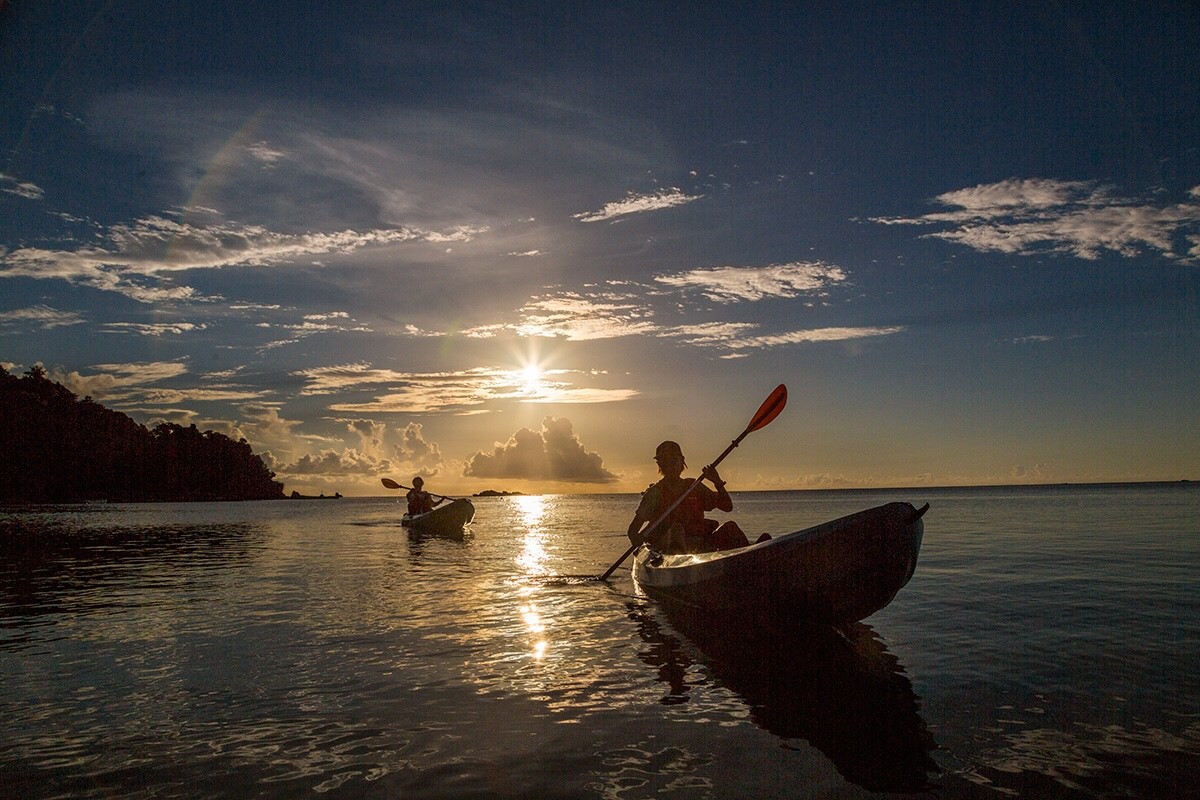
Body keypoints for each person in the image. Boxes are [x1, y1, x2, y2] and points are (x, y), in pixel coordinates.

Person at [627, 440, 761, 554]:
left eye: (674, 460)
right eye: (665, 462)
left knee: (731, 527)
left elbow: (727, 507)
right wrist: (637, 540)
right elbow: (633, 531)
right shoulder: (654, 493)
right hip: (668, 548)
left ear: (682, 461)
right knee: (676, 530)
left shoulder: (694, 486)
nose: (670, 466)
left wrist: (717, 482)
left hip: (699, 545)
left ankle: (755, 553)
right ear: (660, 465)